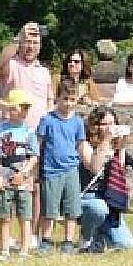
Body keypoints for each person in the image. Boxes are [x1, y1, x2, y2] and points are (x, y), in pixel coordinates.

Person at [36, 82, 89, 255]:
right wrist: (35, 169)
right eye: (65, 99)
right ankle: (46, 239)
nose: (68, 103)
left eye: (72, 99)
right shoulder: (47, 120)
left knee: (72, 209)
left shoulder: (78, 122)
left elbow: (80, 145)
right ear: (57, 98)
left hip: (71, 169)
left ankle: (68, 240)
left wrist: (90, 163)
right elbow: (39, 145)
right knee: (50, 208)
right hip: (51, 170)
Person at [78, 106, 133, 253]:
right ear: (95, 126)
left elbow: (120, 173)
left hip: (108, 197)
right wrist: (105, 141)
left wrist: (121, 147)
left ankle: (100, 237)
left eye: (113, 124)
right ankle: (86, 239)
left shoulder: (114, 146)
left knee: (125, 244)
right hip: (88, 196)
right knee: (98, 208)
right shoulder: (84, 144)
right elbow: (95, 167)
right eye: (106, 124)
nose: (111, 128)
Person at [0, 88, 38, 257]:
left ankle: (24, 249)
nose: (25, 111)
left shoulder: (29, 131)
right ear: (11, 108)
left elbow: (34, 156)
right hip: (4, 178)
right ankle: (5, 249)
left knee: (25, 217)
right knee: (5, 216)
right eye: (21, 107)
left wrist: (24, 174)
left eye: (27, 108)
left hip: (23, 182)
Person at [0, 21, 53, 129]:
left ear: (40, 46)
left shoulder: (45, 71)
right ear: (21, 44)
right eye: (27, 42)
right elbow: (0, 64)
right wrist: (18, 37)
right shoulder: (11, 64)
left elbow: (49, 100)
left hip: (39, 134)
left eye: (35, 43)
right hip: (13, 132)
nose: (31, 46)